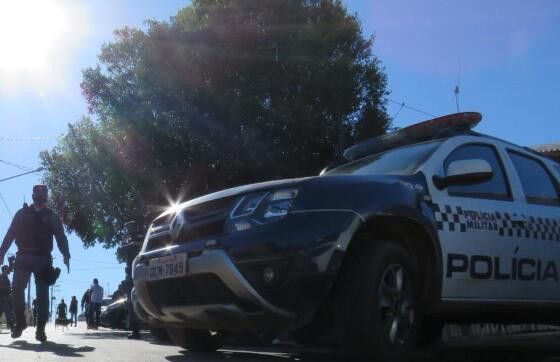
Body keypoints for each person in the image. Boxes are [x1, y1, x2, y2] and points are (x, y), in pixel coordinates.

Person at [0, 185, 70, 341]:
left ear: (46, 196)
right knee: (17, 289)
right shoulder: (22, 213)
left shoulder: (52, 216)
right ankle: (20, 322)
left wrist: (66, 254)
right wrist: (2, 252)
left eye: (42, 193)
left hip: (43, 259)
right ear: (32, 195)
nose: (39, 195)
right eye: (37, 193)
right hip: (23, 256)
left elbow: (60, 236)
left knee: (43, 294)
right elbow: (10, 233)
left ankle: (40, 329)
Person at [0, 265, 15, 331]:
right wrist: (9, 288)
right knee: (8, 313)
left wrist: (11, 289)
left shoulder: (5, 277)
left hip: (6, 297)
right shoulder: (2, 277)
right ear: (4, 270)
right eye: (6, 269)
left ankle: (12, 327)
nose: (7, 270)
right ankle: (12, 328)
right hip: (3, 297)